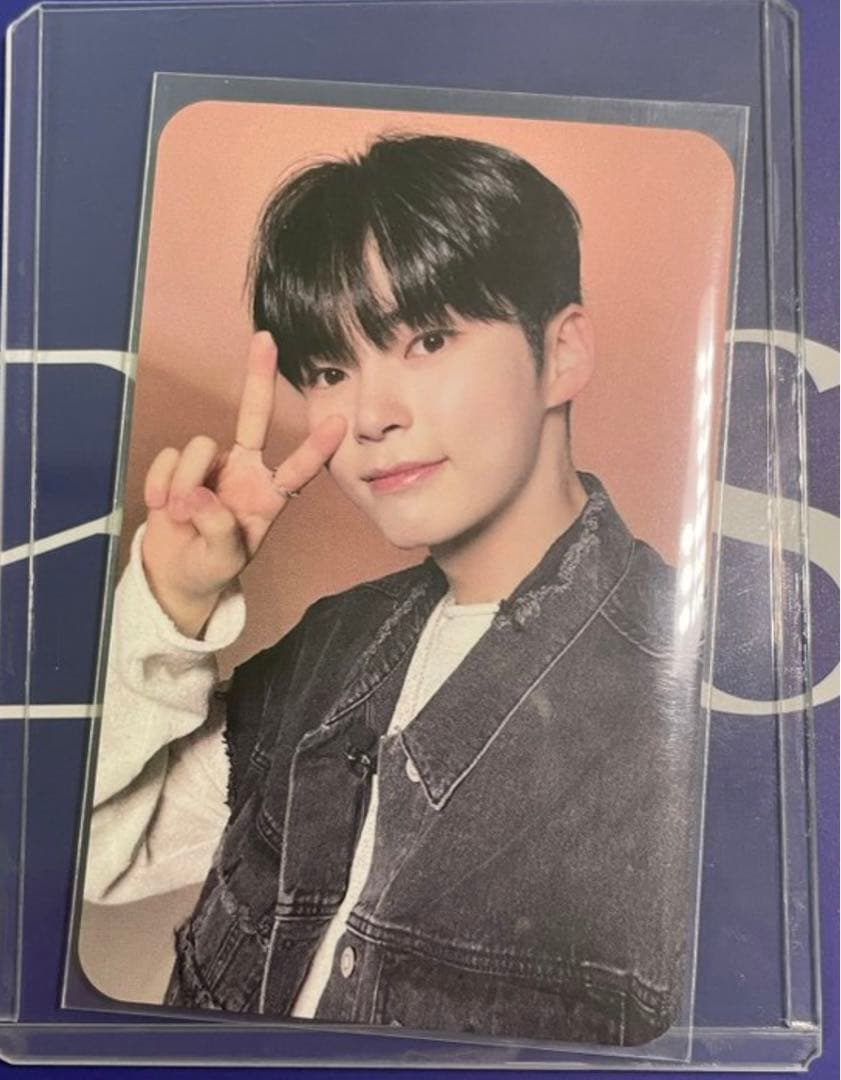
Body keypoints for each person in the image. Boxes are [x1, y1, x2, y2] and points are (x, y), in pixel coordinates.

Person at [86, 133, 702, 1047]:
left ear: (562, 352)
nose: (371, 416)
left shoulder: (703, 699)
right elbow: (96, 848)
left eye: (428, 340)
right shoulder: (333, 647)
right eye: (331, 371)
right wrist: (171, 605)